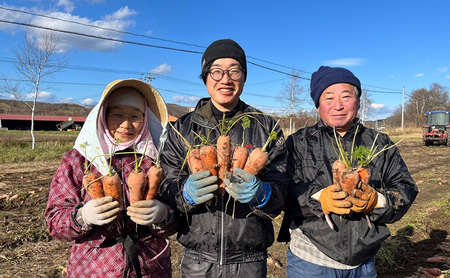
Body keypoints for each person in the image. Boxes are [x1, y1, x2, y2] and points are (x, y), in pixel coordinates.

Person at [159, 39, 288, 277]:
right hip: (198, 261)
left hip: (250, 261)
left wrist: (264, 194)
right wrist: (184, 194)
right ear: (205, 76)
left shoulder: (266, 127)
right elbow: (166, 187)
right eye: (216, 71)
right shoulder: (183, 129)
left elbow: (283, 191)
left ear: (244, 77)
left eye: (234, 71)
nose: (225, 79)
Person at [278, 66, 419, 277]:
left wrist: (378, 201)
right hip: (311, 262)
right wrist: (319, 198)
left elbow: (405, 188)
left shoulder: (379, 143)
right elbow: (282, 190)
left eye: (346, 96)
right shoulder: (298, 142)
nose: (338, 106)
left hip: (363, 264)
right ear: (318, 106)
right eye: (328, 98)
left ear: (359, 101)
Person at [45, 79, 176, 278]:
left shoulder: (157, 160)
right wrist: (83, 217)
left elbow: (177, 220)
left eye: (135, 116)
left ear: (145, 118)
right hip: (94, 268)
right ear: (102, 115)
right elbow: (54, 221)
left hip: (152, 267)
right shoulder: (79, 160)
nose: (126, 124)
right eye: (117, 114)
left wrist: (163, 215)